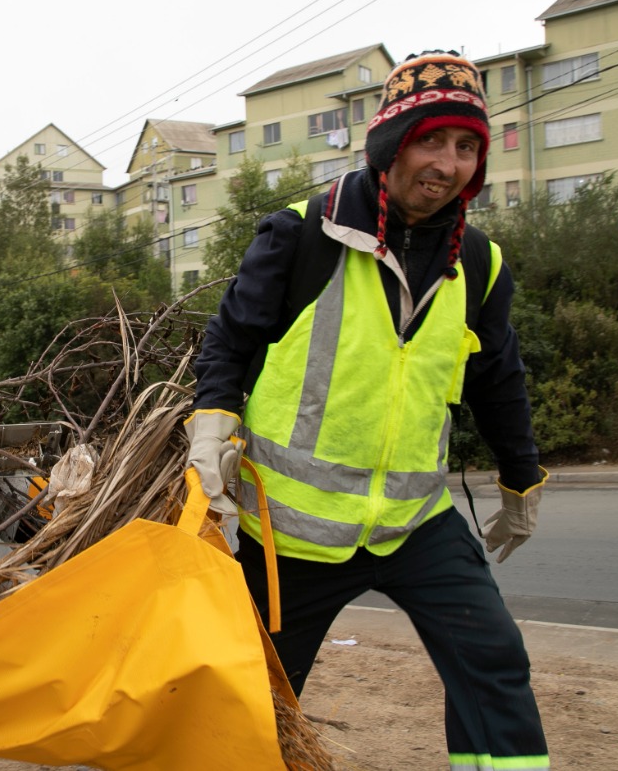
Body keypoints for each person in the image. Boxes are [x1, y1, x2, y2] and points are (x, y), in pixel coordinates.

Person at [188, 51, 549, 770]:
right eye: (432, 141)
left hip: (414, 524)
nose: (448, 164)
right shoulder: (300, 234)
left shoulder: (478, 262)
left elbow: (497, 376)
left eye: (467, 147)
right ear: (391, 146)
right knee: (249, 701)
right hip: (293, 537)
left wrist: (521, 477)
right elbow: (230, 338)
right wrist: (213, 423)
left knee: (494, 659)